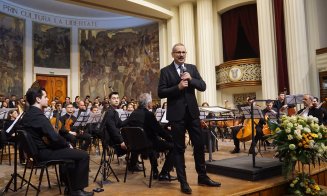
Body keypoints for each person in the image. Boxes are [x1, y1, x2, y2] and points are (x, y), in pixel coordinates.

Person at [158, 43, 221, 194]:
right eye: (178, 52)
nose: (181, 55)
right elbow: (160, 92)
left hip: (192, 114)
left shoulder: (191, 68)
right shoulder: (165, 71)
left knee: (199, 145)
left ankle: (202, 176)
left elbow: (203, 86)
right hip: (176, 116)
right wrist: (177, 88)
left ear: (186, 53)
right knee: (179, 149)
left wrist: (191, 79)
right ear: (173, 54)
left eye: (183, 52)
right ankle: (183, 181)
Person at [21, 86, 93, 196]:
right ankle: (77, 191)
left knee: (72, 156)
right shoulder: (39, 116)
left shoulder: (27, 115)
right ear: (38, 99)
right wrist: (67, 144)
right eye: (45, 96)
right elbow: (54, 137)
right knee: (83, 155)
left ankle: (70, 188)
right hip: (43, 153)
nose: (48, 99)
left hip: (36, 153)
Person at [123, 93, 176, 181]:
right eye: (151, 102)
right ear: (148, 104)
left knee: (152, 141)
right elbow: (159, 131)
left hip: (134, 146)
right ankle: (164, 173)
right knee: (175, 147)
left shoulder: (133, 113)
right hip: (148, 145)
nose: (152, 103)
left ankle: (155, 171)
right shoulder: (149, 114)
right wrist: (170, 138)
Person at [104, 92, 142, 171]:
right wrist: (121, 141)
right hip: (113, 140)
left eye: (117, 98)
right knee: (136, 144)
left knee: (136, 141)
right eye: (114, 98)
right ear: (109, 101)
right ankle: (132, 165)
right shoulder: (110, 112)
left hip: (115, 137)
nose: (116, 100)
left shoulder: (114, 111)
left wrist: (131, 117)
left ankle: (132, 163)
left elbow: (120, 124)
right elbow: (113, 130)